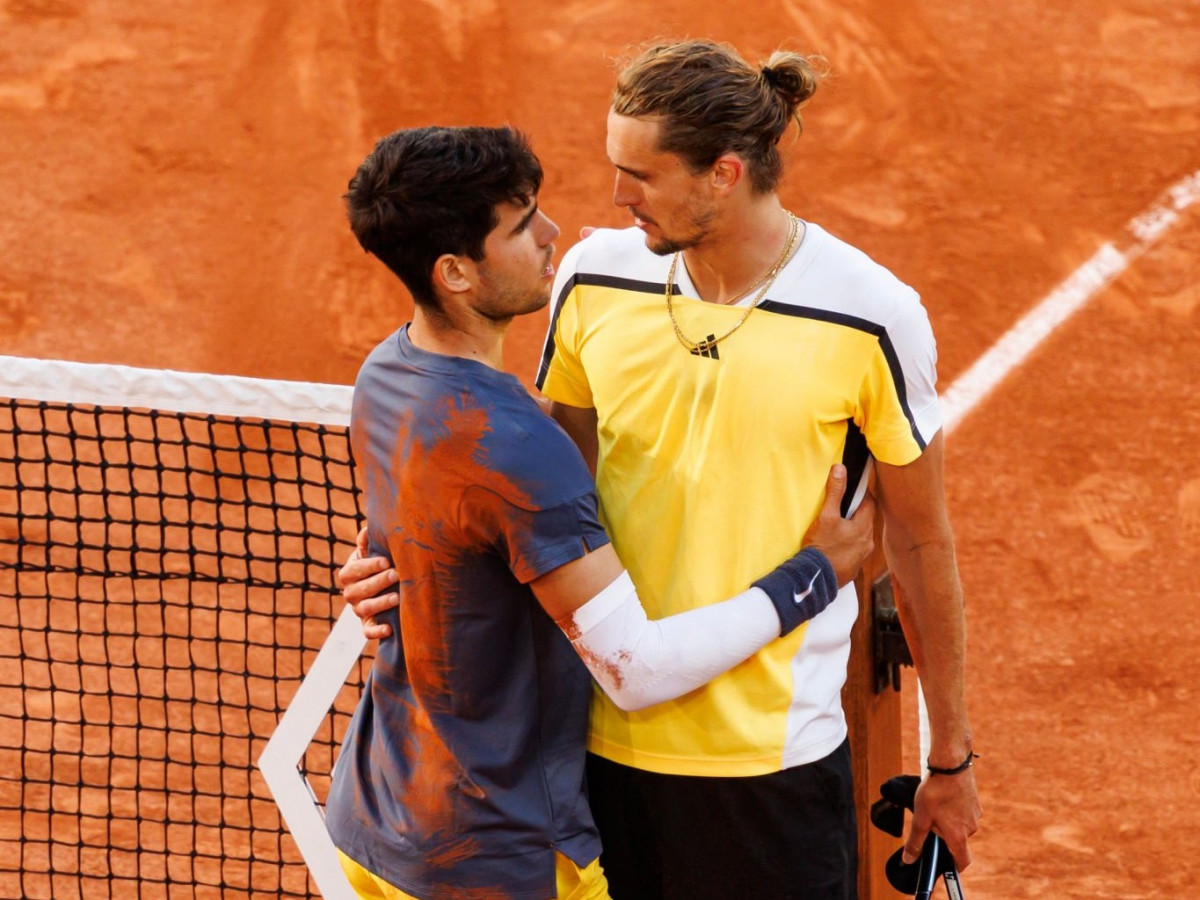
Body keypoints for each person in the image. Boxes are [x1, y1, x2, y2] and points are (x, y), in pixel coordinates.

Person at [341, 40, 981, 899]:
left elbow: (921, 540)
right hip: (589, 756)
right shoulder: (592, 278)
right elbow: (536, 496)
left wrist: (950, 760)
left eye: (640, 174)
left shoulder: (871, 315)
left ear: (723, 174)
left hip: (769, 766)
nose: (615, 196)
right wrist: (405, 566)